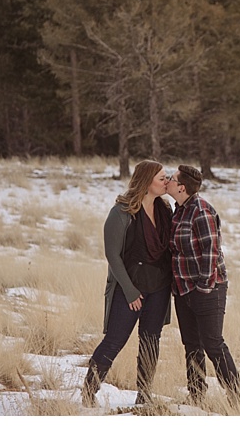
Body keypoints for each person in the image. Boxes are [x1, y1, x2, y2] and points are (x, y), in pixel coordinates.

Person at [83, 160, 175, 407]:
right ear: (147, 182)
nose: (166, 182)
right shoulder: (122, 212)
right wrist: (131, 291)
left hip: (159, 289)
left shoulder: (166, 209)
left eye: (166, 178)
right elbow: (112, 255)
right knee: (114, 340)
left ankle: (144, 397)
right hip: (129, 289)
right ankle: (88, 392)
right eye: (162, 178)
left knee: (150, 342)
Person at [167, 165, 240, 408]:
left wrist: (202, 288)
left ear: (181, 187)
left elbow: (210, 253)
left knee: (212, 343)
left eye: (171, 179)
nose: (167, 181)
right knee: (191, 344)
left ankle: (236, 398)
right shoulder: (178, 210)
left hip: (208, 289)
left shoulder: (201, 211)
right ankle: (196, 397)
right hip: (183, 289)